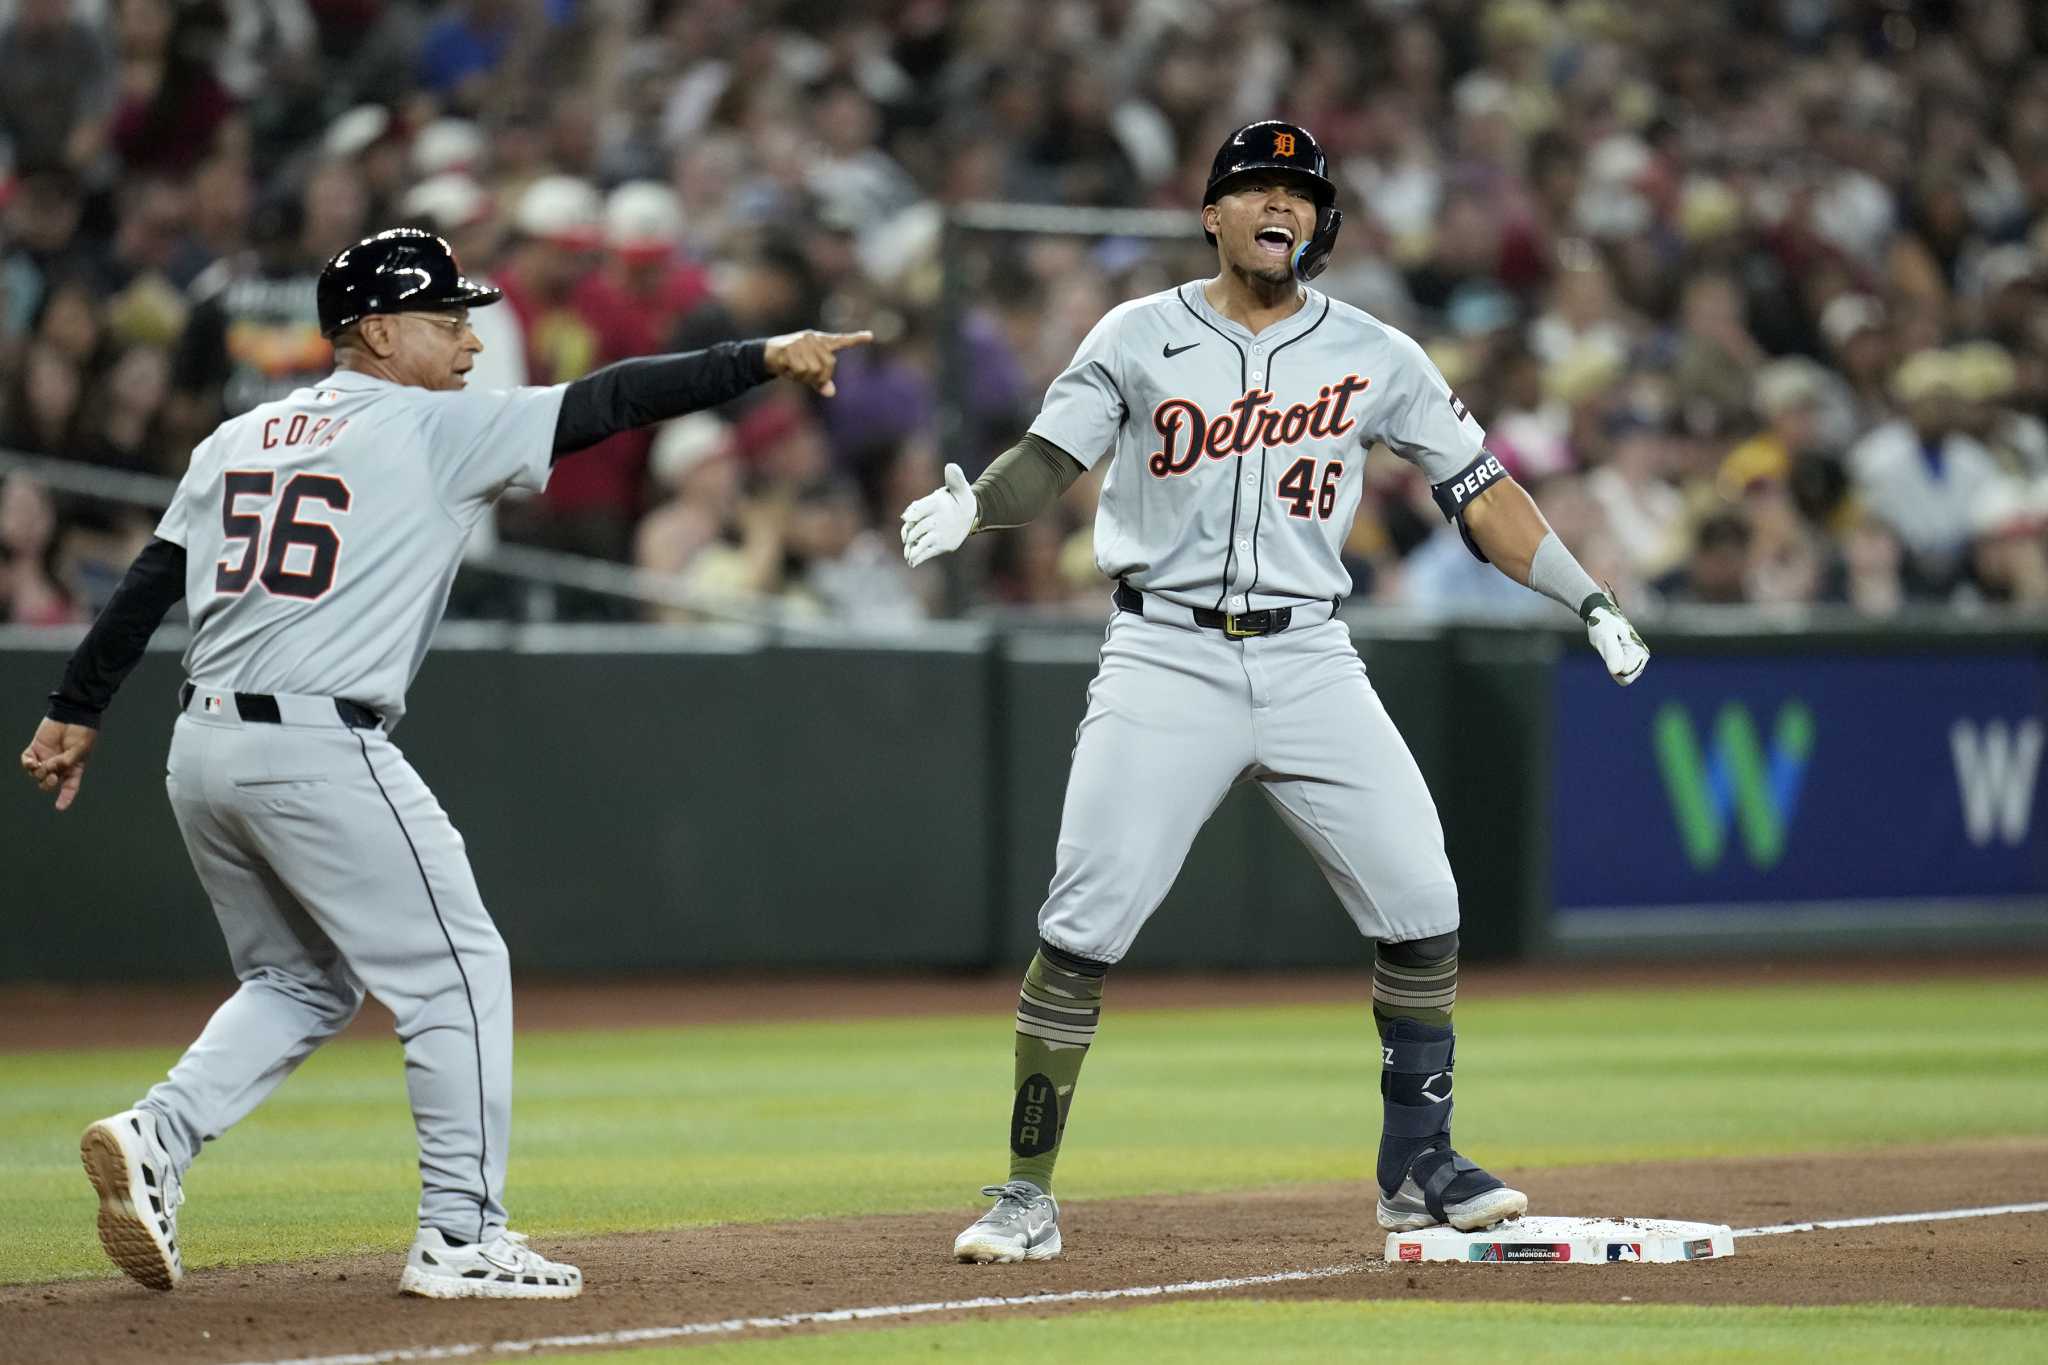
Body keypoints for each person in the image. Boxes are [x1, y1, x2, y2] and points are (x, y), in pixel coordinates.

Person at [19, 228, 868, 1298]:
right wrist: (758, 357)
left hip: (204, 751)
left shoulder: (236, 436)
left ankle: (159, 1136)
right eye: (444, 319)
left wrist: (75, 708)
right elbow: (613, 401)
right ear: (375, 332)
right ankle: (459, 1236)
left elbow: (150, 581)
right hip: (316, 743)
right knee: (459, 973)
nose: (470, 341)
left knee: (297, 981)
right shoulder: (431, 429)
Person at [900, 122, 1649, 1264]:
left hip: (1308, 655)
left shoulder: (1373, 352)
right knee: (1081, 925)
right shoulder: (1139, 332)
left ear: (1318, 221)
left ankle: (1418, 1168)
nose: (1277, 204)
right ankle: (1024, 1193)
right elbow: (1049, 460)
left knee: (1421, 900)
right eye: (1254, 185)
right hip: (1165, 656)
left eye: (1297, 191)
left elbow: (1479, 488)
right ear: (1212, 213)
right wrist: (976, 507)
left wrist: (1587, 597)